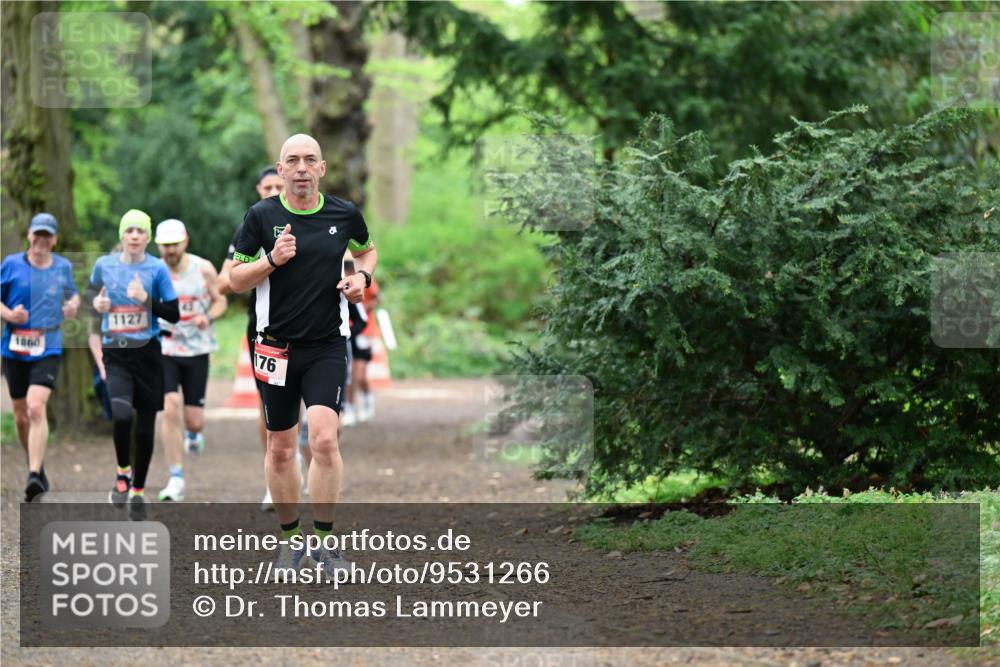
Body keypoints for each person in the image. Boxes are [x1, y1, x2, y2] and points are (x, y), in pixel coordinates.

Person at [230, 133, 377, 580]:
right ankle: (292, 542)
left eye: (308, 160)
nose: (300, 168)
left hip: (326, 344)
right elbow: (235, 278)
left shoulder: (343, 213)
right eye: (291, 160)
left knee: (325, 440)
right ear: (279, 169)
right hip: (274, 345)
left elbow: (366, 251)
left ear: (322, 168)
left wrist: (362, 278)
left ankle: (329, 546)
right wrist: (271, 260)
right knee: (279, 448)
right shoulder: (260, 216)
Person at [219, 166, 306, 511]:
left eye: (277, 185)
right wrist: (264, 263)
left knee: (302, 404)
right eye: (266, 186)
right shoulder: (250, 227)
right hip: (263, 328)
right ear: (258, 189)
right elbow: (225, 282)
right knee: (267, 406)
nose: (272, 191)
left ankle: (295, 465)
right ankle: (274, 478)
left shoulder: (308, 220)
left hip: (308, 328)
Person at [87, 209, 179, 520]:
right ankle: (122, 471)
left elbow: (174, 313)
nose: (135, 236)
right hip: (116, 352)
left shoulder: (158, 269)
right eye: (130, 231)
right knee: (122, 414)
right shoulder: (104, 265)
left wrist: (145, 300)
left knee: (147, 424)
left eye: (141, 231)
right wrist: (96, 304)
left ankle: (138, 490)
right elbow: (90, 297)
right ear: (122, 236)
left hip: (148, 353)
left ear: (148, 237)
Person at [1, 213, 80, 501]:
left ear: (55, 240)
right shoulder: (10, 265)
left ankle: (33, 476)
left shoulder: (63, 267)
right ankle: (36, 464)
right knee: (21, 416)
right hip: (14, 347)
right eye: (38, 235)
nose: (42, 241)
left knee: (36, 408)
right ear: (29, 235)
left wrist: (72, 305)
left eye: (48, 236)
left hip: (48, 344)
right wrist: (9, 314)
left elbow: (73, 295)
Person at [154, 219, 227, 501]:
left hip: (197, 349)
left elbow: (220, 301)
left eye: (174, 244)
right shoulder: (153, 271)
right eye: (165, 245)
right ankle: (175, 477)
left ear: (185, 242)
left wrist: (205, 316)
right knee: (170, 408)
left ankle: (194, 435)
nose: (170, 250)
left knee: (193, 421)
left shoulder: (203, 268)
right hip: (166, 346)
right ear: (158, 245)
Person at [344, 274, 380, 425]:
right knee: (349, 375)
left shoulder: (364, 278)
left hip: (365, 332)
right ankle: (350, 409)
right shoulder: (338, 279)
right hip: (345, 333)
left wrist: (364, 307)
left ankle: (367, 399)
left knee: (359, 375)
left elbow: (377, 298)